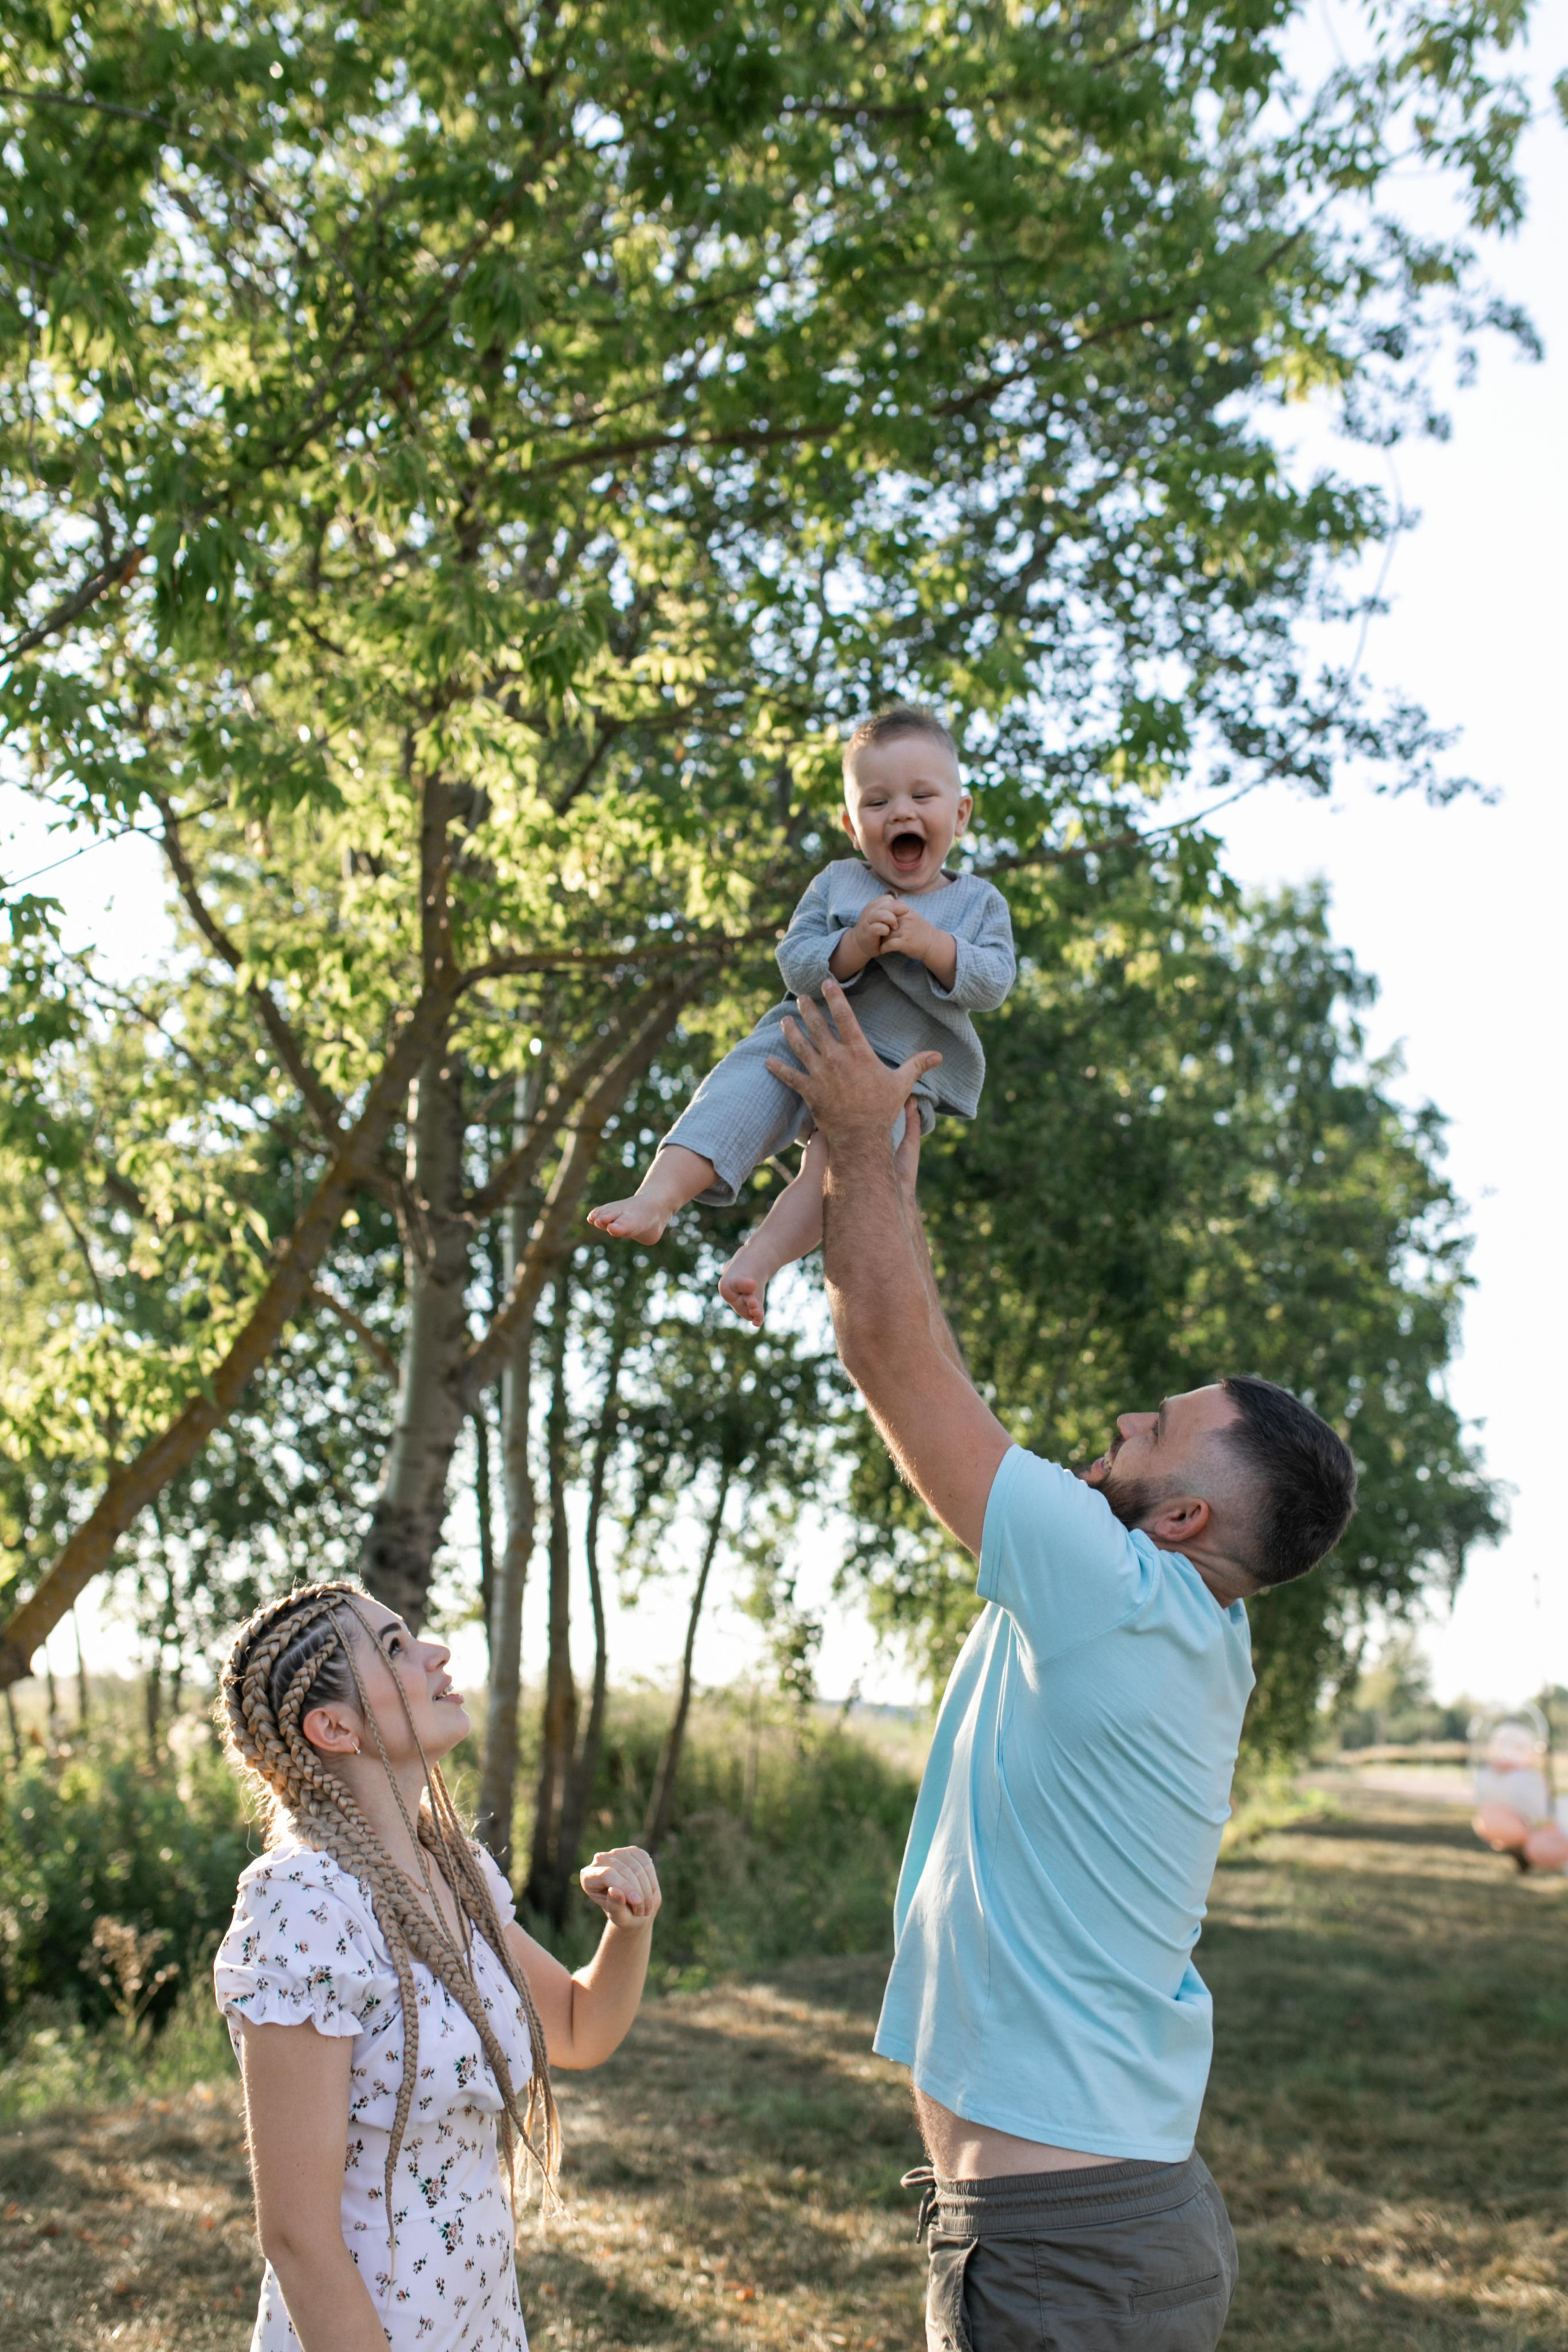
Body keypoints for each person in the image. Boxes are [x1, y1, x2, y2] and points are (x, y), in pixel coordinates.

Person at [766, 979, 1359, 2352]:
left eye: (1152, 1430)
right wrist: (878, 1179)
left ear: (1184, 1517)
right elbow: (926, 1357)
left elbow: (887, 1353)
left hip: (1064, 2254)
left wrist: (860, 1137)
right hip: (1085, 2232)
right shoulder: (1168, 1615)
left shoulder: (1115, 1598)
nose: (1117, 1423)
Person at [214, 1581, 662, 2352]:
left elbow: (580, 2030)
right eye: (394, 1648)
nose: (435, 1653)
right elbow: (297, 2237)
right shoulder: (303, 1906)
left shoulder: (454, 1872)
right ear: (334, 1726)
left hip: (480, 2322)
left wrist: (628, 1929)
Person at [587, 704, 1015, 1326]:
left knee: (845, 1174)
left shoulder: (977, 902)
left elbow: (993, 981)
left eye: (922, 795)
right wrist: (854, 947)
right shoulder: (838, 884)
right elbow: (796, 962)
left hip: (895, 1079)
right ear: (850, 824)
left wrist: (930, 945)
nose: (900, 812)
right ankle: (658, 1198)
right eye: (876, 803)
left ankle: (758, 1261)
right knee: (732, 1094)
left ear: (960, 813)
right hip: (805, 1038)